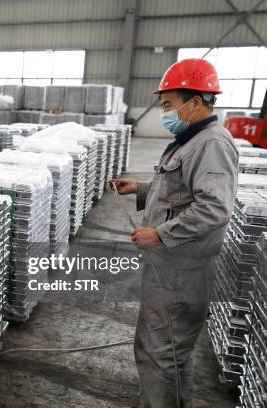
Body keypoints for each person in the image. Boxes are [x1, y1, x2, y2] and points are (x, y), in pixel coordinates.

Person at [112, 58, 238, 407]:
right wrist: (139, 189)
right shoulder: (191, 140)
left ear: (195, 102)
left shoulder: (211, 143)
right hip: (171, 268)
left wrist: (161, 233)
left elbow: (214, 207)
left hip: (181, 272)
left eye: (168, 104)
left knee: (160, 353)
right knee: (166, 350)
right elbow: (180, 190)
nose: (164, 111)